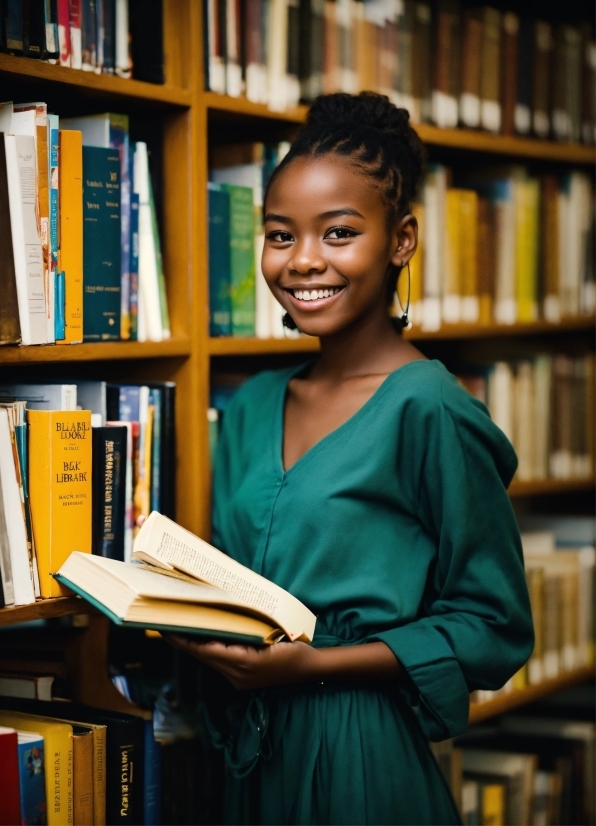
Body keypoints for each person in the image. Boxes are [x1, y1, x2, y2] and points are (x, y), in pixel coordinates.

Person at [169, 92, 534, 825]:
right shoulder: (248, 406)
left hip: (358, 754)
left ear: (401, 240)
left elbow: (493, 625)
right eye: (281, 235)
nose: (303, 260)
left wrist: (316, 665)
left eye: (338, 233)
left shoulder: (428, 408)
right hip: (244, 754)